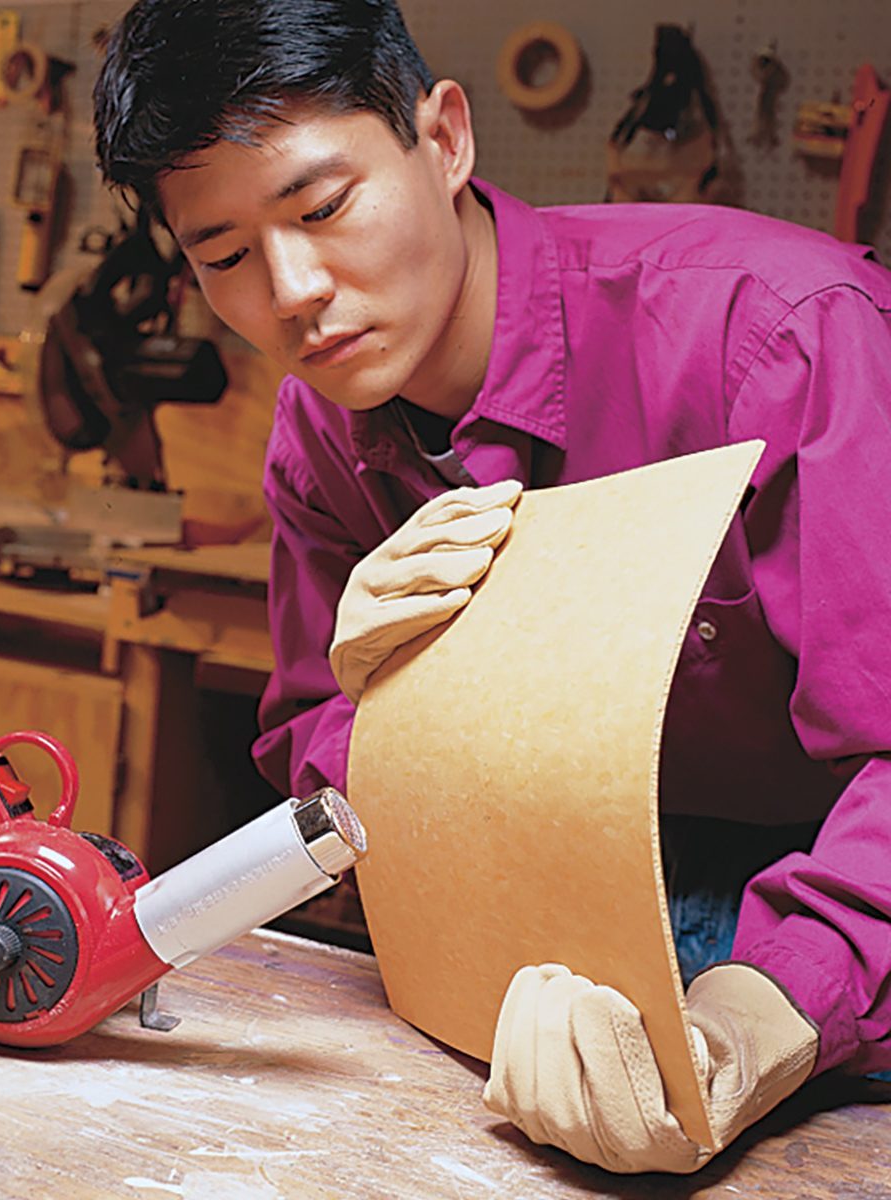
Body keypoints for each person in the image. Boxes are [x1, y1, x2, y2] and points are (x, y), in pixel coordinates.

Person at [92, 0, 891, 1174]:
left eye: (322, 208)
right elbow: (318, 747)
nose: (295, 288)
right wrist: (395, 720)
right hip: (561, 921)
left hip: (840, 916)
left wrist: (762, 1014)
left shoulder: (783, 334)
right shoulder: (321, 427)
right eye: (224, 257)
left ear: (446, 138)